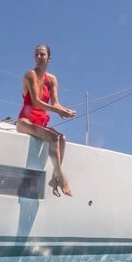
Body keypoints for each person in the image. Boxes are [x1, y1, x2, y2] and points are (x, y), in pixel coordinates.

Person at [17, 44, 76, 196]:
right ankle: (61, 178)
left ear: (49, 58)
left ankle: (53, 180)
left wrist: (64, 110)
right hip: (25, 122)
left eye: (42, 55)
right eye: (36, 54)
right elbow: (36, 102)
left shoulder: (52, 80)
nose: (38, 57)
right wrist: (57, 110)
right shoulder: (30, 75)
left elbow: (55, 103)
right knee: (53, 138)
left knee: (62, 138)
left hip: (40, 123)